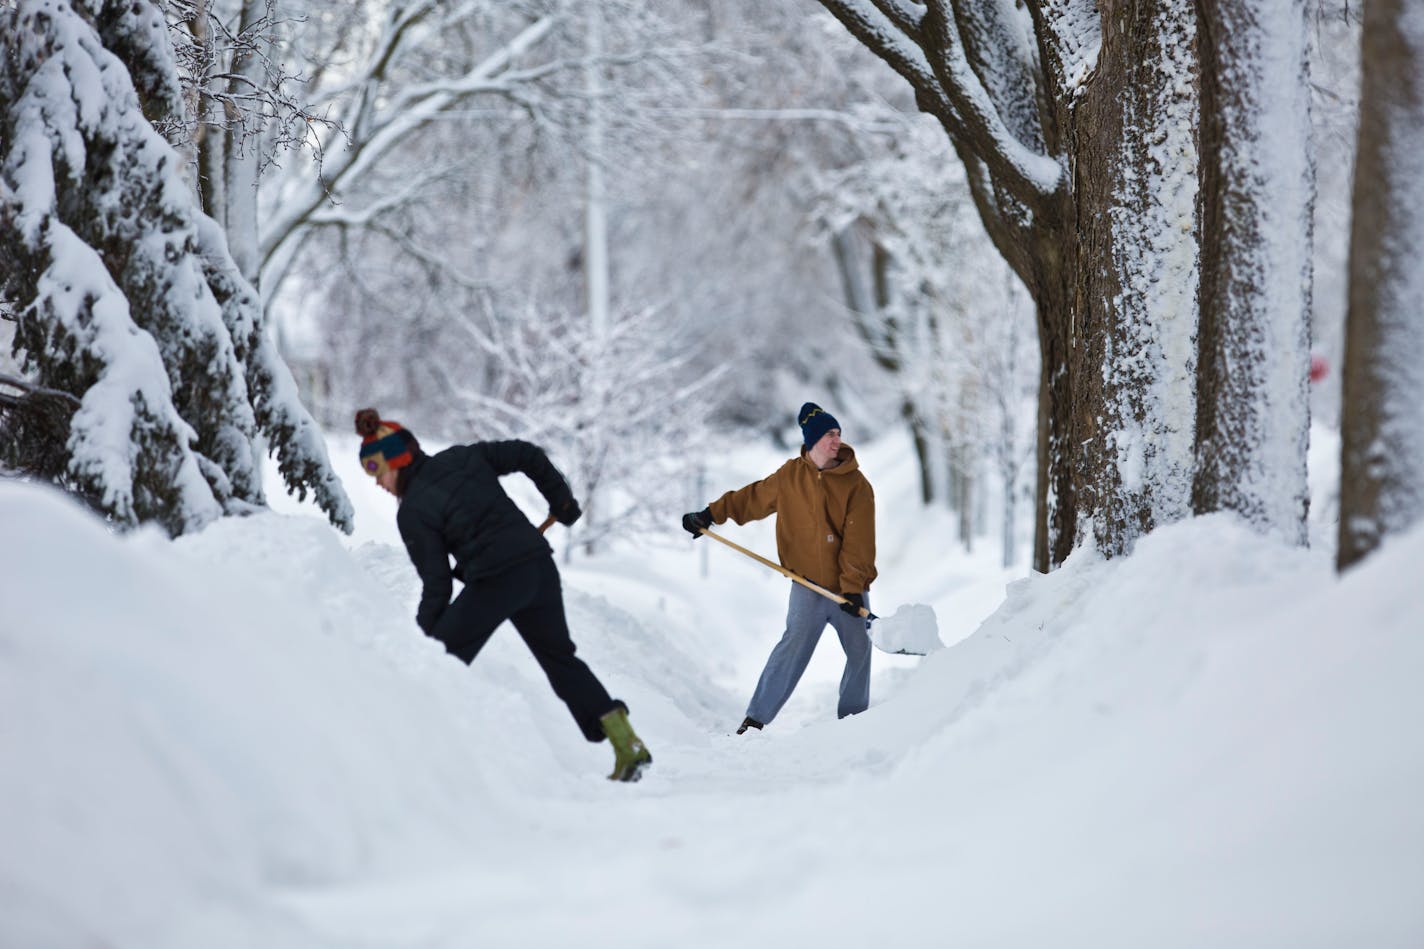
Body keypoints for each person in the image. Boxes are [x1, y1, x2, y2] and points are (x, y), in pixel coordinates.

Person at [355, 408, 652, 781]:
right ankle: (626, 743)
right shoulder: (462, 457)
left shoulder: (412, 511)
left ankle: (416, 759)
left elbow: (437, 584)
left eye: (376, 471)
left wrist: (422, 642)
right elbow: (526, 453)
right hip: (537, 567)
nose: (378, 483)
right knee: (561, 660)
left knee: (437, 663)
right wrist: (561, 500)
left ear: (396, 462)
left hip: (497, 581)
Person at [683, 402, 875, 734]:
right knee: (791, 649)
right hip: (807, 586)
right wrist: (710, 515)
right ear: (813, 440)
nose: (836, 440)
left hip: (847, 589)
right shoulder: (790, 476)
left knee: (860, 651)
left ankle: (854, 723)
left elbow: (859, 542)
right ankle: (755, 719)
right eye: (830, 434)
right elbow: (752, 498)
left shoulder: (856, 485)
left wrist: (853, 588)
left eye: (838, 434)